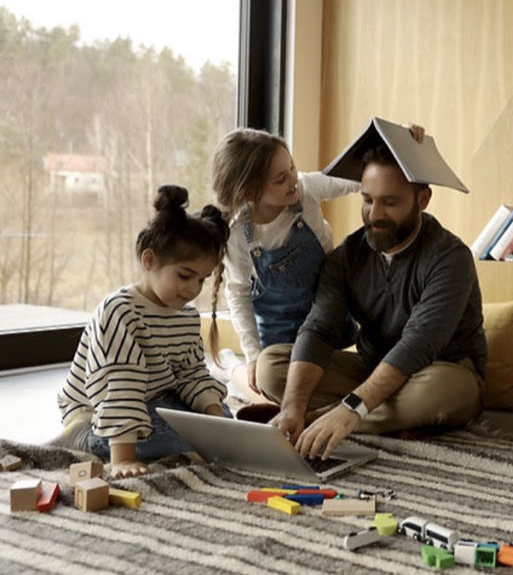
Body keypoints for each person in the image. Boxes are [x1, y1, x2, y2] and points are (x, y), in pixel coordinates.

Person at [252, 142, 487, 460]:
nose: (374, 214)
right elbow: (320, 329)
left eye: (389, 202)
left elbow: (418, 344)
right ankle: (315, 413)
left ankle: (320, 420)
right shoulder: (347, 256)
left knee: (440, 392)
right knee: (271, 366)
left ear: (423, 199)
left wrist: (350, 408)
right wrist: (293, 402)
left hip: (441, 372)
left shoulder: (451, 258)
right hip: (370, 371)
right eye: (367, 200)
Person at [210, 125, 423, 398]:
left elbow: (360, 178)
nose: (292, 180)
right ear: (250, 193)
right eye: (280, 179)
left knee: (321, 378)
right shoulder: (238, 232)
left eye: (292, 168)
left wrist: (400, 147)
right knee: (270, 382)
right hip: (279, 334)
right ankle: (231, 366)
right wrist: (252, 355)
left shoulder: (306, 188)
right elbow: (238, 293)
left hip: (329, 315)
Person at [54, 185, 231, 478]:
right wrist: (122, 460)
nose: (193, 289)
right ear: (149, 261)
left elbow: (192, 375)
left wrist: (217, 421)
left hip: (153, 397)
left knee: (223, 413)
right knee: (174, 433)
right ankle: (86, 439)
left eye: (202, 280)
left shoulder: (185, 316)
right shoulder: (120, 311)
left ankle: (202, 430)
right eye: (185, 276)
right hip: (97, 408)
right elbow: (119, 386)